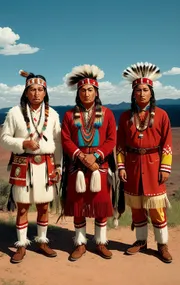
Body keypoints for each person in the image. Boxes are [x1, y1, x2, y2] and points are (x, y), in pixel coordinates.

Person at [0, 70, 62, 263]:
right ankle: (21, 245)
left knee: (44, 206)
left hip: (46, 165)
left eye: (40, 89)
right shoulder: (15, 112)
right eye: (32, 89)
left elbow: (58, 142)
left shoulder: (52, 114)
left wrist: (59, 165)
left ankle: (42, 242)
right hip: (23, 164)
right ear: (26, 92)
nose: (36, 93)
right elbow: (4, 139)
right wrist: (23, 144)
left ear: (45, 92)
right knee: (23, 207)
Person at [116, 62, 173, 263]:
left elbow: (167, 143)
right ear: (133, 94)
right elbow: (120, 145)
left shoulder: (162, 115)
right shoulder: (124, 117)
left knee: (157, 207)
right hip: (131, 165)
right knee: (137, 206)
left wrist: (165, 168)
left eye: (145, 90)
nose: (141, 93)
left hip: (153, 165)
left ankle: (162, 244)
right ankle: (141, 241)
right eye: (138, 90)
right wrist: (121, 166)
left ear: (151, 93)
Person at [61, 64, 117, 261]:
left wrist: (97, 156)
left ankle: (101, 243)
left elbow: (111, 139)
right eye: (83, 90)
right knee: (79, 206)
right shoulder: (69, 115)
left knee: (100, 205)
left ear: (96, 92)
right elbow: (66, 139)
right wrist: (80, 155)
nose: (86, 93)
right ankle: (80, 243)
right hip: (77, 166)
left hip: (99, 167)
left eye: (90, 90)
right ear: (78, 93)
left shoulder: (108, 114)